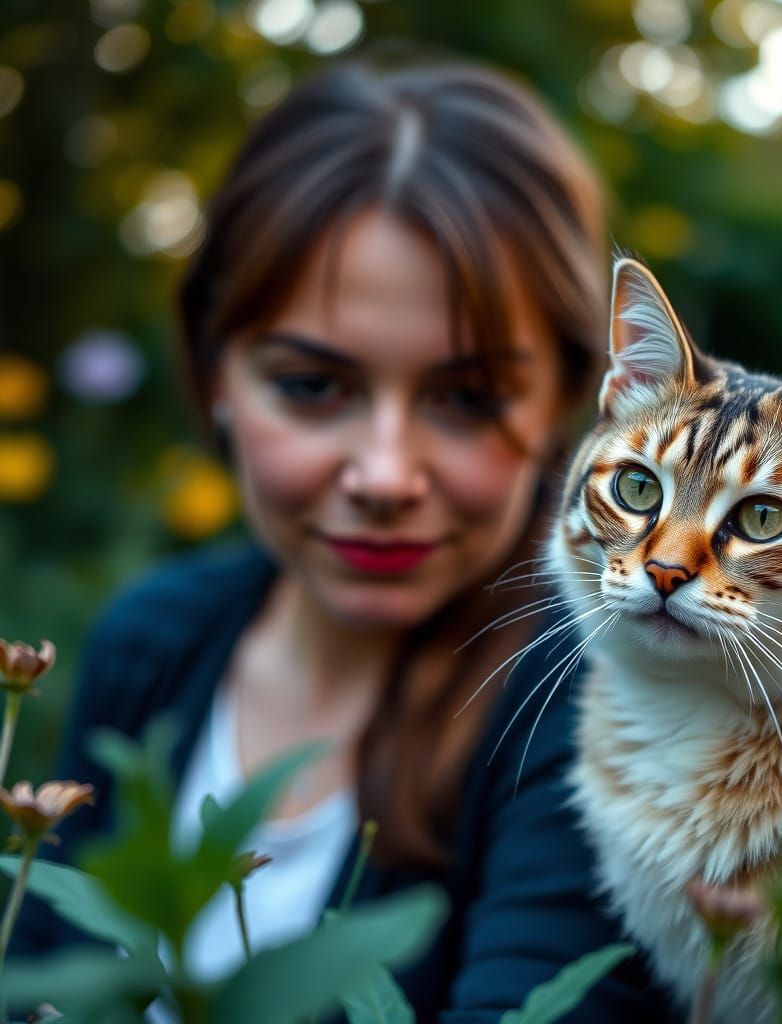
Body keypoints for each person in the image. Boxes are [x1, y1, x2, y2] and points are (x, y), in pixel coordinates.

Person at [13, 59, 674, 1021]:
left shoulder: (594, 708)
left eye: (466, 399)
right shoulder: (150, 641)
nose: (384, 475)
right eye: (313, 387)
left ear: (569, 413)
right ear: (216, 377)